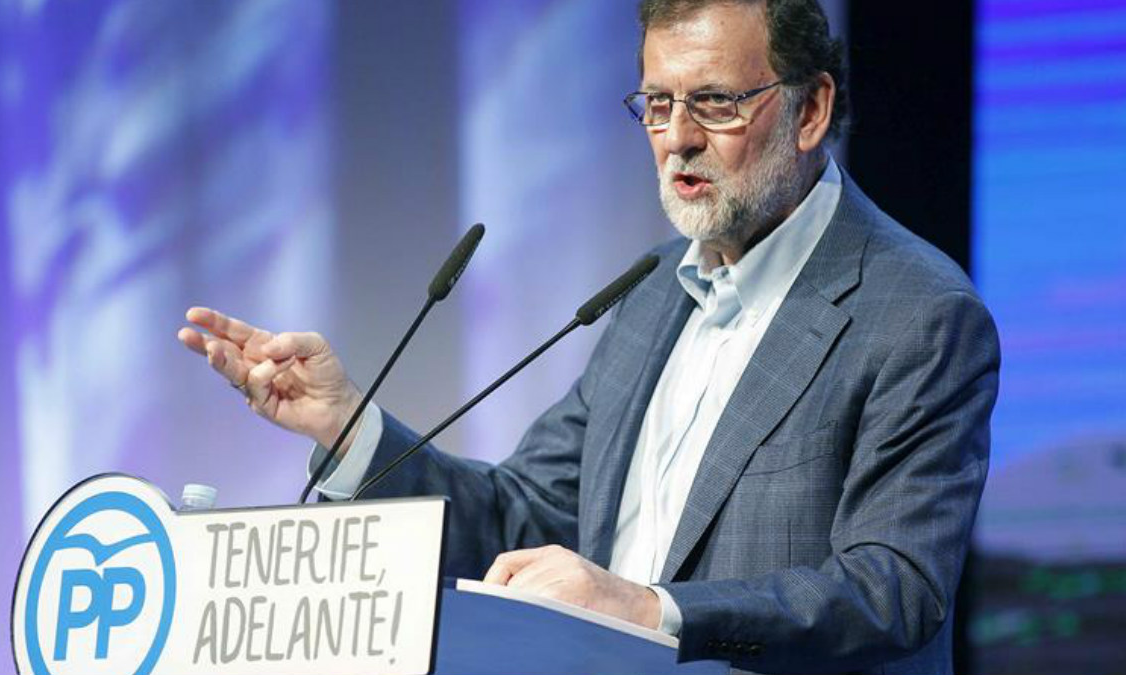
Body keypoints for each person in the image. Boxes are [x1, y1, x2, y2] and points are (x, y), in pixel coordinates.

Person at [177, 1, 999, 673]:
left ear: (810, 109)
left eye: (715, 101)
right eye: (657, 102)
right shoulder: (651, 290)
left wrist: (646, 608)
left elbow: (893, 589)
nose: (677, 137)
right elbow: (518, 518)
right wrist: (347, 427)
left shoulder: (917, 313)